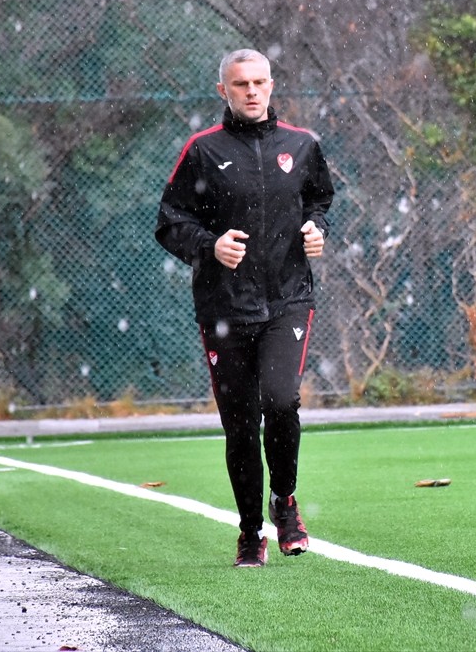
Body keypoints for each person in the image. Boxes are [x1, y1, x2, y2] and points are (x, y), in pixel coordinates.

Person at [155, 48, 334, 567]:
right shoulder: (203, 151)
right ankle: (250, 531)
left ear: (272, 85)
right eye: (240, 85)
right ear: (223, 92)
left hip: (287, 300)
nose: (251, 91)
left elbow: (321, 200)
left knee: (280, 400)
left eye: (259, 82)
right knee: (240, 423)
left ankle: (286, 502)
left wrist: (316, 229)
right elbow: (169, 221)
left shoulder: (301, 146)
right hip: (224, 307)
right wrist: (209, 245)